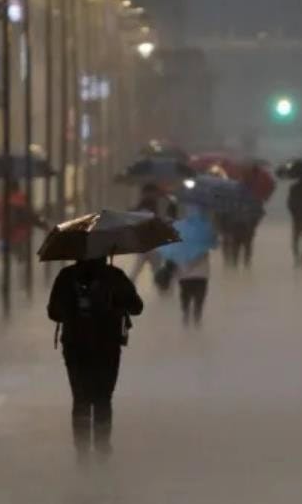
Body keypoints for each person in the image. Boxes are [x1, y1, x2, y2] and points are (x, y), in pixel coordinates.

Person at [48, 256, 144, 461]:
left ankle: (81, 451)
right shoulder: (115, 276)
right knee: (103, 397)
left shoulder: (66, 276)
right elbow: (137, 307)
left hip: (75, 346)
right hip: (107, 346)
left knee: (80, 397)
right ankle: (102, 448)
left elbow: (53, 312)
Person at [129, 184, 178, 282]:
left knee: (138, 269)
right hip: (153, 244)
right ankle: (162, 289)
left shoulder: (146, 205)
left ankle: (127, 287)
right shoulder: (154, 204)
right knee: (154, 268)